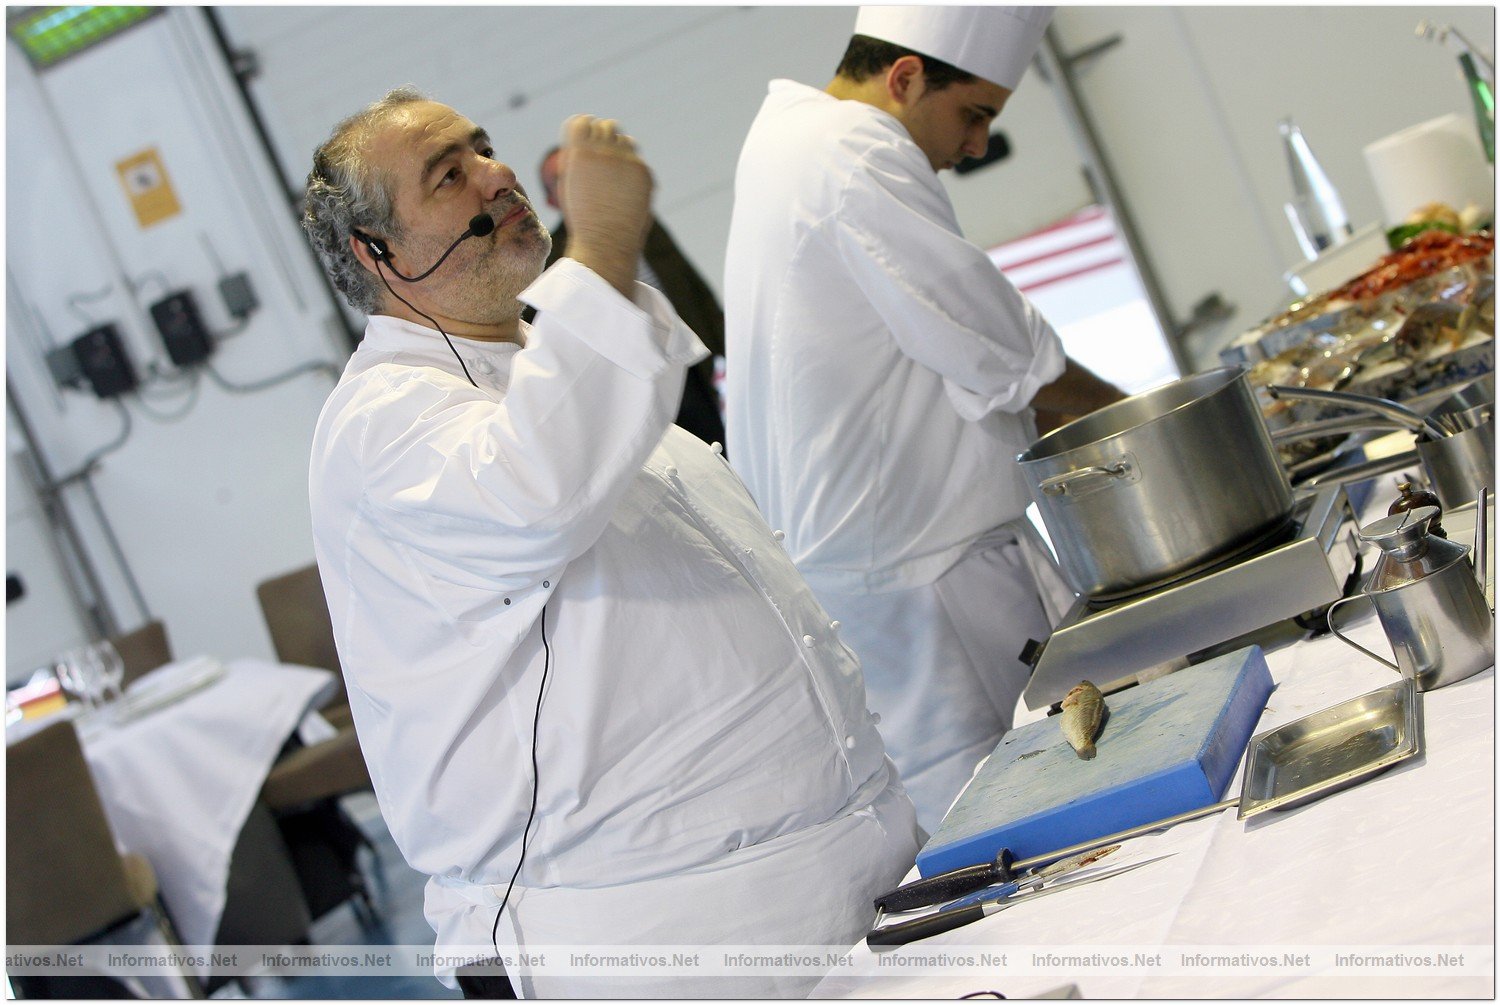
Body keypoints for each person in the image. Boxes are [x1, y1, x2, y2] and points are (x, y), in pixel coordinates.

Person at [300, 88, 918, 998]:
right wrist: (602, 250)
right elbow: (536, 492)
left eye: (483, 148)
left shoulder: (550, 361)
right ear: (376, 253)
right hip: (641, 934)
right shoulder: (382, 421)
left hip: (831, 871)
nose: (497, 174)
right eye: (449, 174)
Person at [723, 7, 1126, 833]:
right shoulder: (851, 148)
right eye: (973, 114)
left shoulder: (788, 140)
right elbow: (999, 348)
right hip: (929, 586)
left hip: (888, 572)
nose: (976, 146)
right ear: (905, 77)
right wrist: (1151, 416)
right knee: (1040, 825)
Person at [537, 145, 727, 448]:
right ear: (550, 198)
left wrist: (724, 347)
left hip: (688, 364)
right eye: (564, 176)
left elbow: (692, 289)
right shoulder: (553, 256)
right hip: (636, 386)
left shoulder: (638, 221)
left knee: (724, 449)